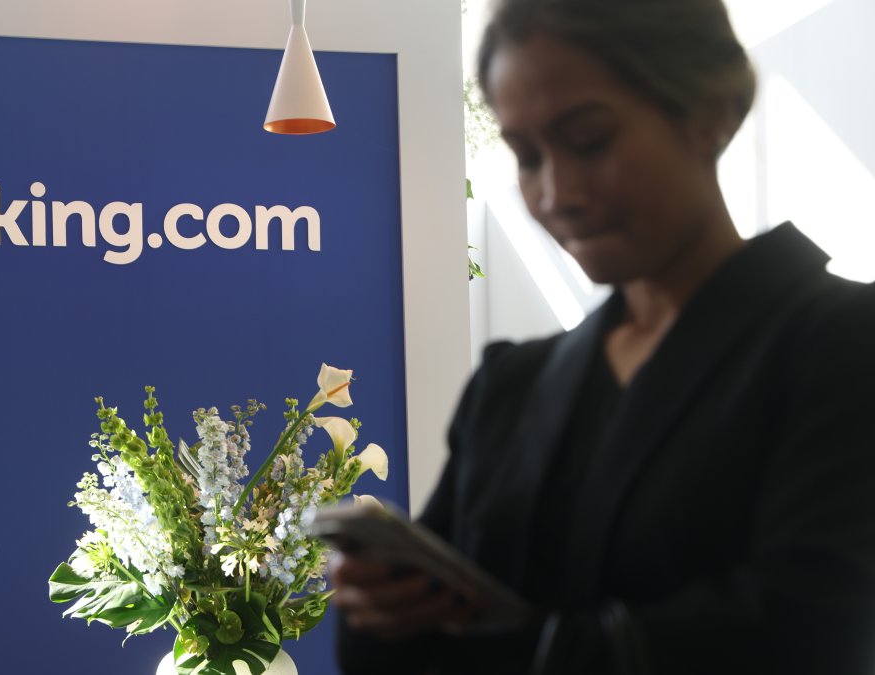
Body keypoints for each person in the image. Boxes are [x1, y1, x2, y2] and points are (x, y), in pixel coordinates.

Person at [330, 0, 875, 673]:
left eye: (589, 140)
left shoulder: (841, 344)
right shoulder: (508, 388)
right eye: (526, 156)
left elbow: (804, 629)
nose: (556, 193)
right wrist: (378, 607)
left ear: (712, 109)